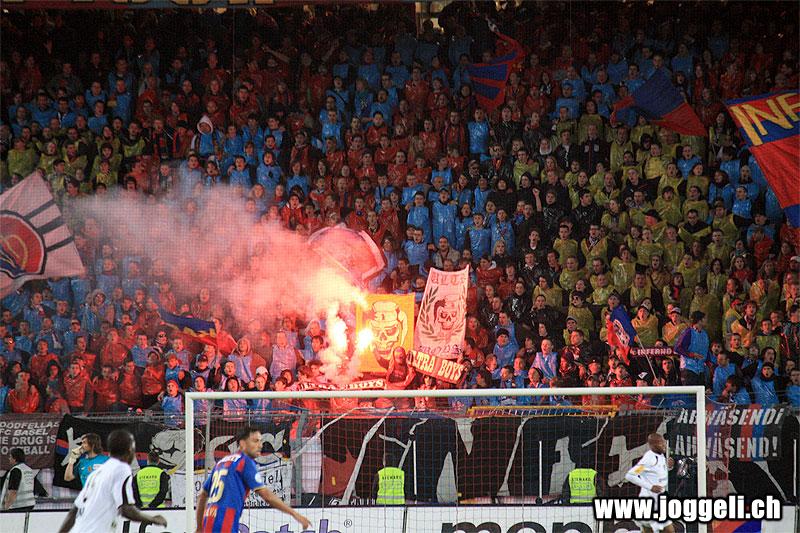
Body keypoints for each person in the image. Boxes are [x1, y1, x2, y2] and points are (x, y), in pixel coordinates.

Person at [195, 426, 310, 532]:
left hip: (208, 521)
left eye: (260, 441)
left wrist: (200, 527)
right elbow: (267, 496)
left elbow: (202, 496)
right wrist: (295, 514)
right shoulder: (244, 462)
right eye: (255, 441)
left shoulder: (222, 462)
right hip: (225, 522)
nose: (260, 445)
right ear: (242, 443)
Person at [58, 429, 167, 532]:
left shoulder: (95, 474)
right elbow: (126, 509)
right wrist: (153, 519)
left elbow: (74, 511)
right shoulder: (121, 469)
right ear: (129, 450)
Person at [624, 433, 675, 533]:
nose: (664, 445)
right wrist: (650, 487)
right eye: (661, 443)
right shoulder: (648, 459)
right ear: (653, 445)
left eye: (664, 442)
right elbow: (630, 475)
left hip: (659, 501)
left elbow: (657, 474)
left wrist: (668, 466)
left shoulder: (660, 457)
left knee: (667, 530)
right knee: (667, 530)